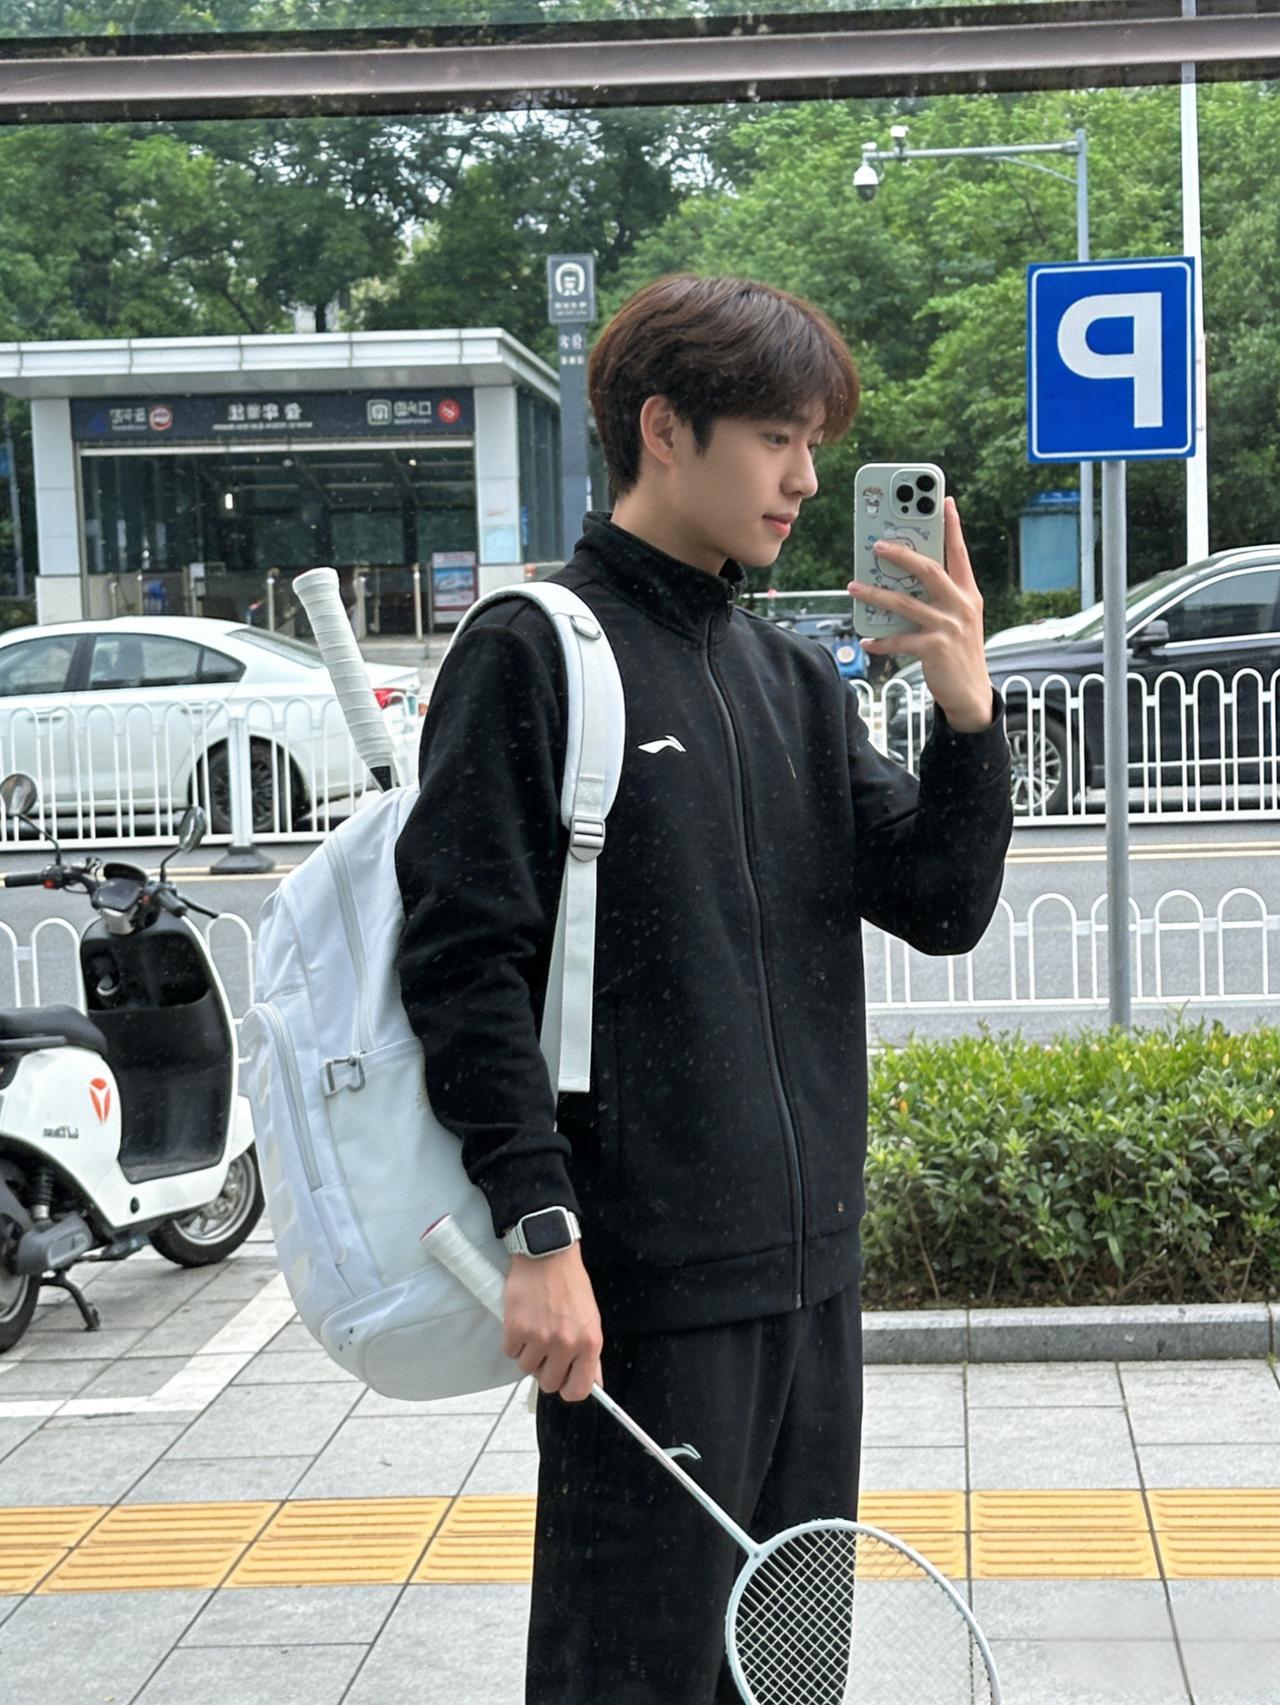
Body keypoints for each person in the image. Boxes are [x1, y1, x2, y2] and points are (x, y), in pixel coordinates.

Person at [394, 272, 1012, 1704]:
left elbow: (943, 904)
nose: (806, 480)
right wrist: (538, 1229)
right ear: (665, 430)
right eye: (777, 439)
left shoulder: (789, 676)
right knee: (639, 1674)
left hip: (811, 1277)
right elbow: (465, 962)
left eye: (815, 444)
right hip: (644, 1288)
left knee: (787, 1676)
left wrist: (965, 707)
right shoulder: (535, 650)